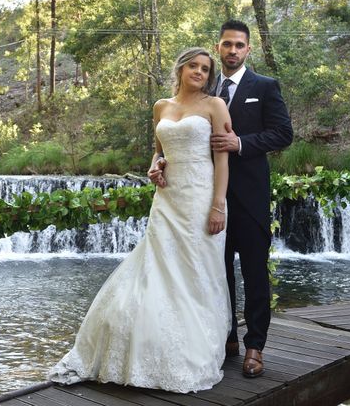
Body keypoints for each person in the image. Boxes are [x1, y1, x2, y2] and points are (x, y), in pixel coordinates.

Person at [48, 48, 232, 393]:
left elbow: (222, 160)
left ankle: (194, 346)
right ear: (180, 69)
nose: (200, 72)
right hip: (167, 197)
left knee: (195, 270)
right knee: (157, 266)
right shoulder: (161, 107)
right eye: (193, 66)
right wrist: (155, 164)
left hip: (201, 195)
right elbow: (160, 148)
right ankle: (146, 345)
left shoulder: (214, 106)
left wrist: (218, 204)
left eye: (206, 69)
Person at [210, 19, 293, 378]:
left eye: (239, 45)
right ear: (218, 47)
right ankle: (226, 336)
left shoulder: (265, 86)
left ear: (248, 49)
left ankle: (255, 346)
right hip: (211, 199)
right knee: (217, 272)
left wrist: (241, 143)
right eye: (227, 44)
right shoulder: (206, 89)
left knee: (256, 275)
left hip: (251, 198)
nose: (232, 50)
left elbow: (283, 133)